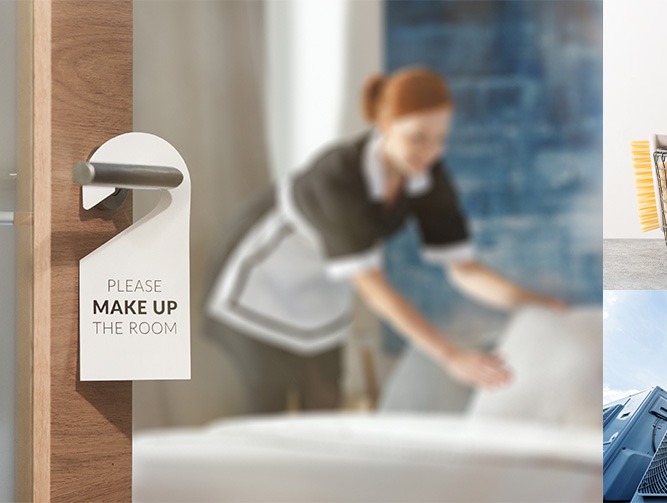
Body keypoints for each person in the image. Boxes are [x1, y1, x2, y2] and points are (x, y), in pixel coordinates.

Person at [207, 67, 564, 410]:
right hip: (260, 284)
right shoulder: (337, 176)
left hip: (322, 293)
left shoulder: (424, 174)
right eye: (418, 138)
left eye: (440, 139)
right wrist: (451, 356)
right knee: (267, 408)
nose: (431, 151)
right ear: (386, 125)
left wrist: (536, 304)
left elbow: (464, 270)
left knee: (326, 402)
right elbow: (372, 286)